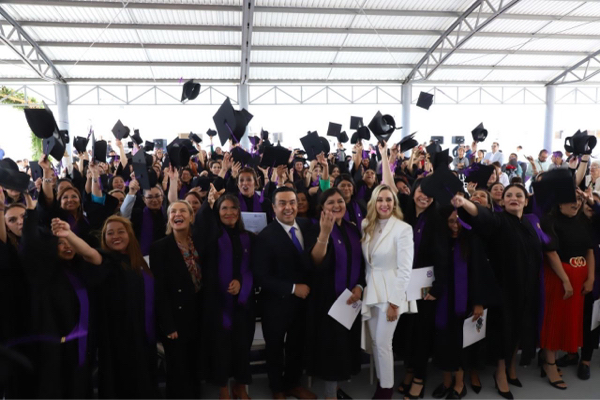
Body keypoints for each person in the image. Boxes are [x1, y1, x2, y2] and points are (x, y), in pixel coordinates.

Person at [51, 215, 158, 399]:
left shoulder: (140, 262)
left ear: (130, 234)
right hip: (116, 335)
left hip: (141, 333)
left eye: (120, 231)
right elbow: (88, 252)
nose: (115, 236)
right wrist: (68, 235)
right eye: (110, 233)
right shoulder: (107, 259)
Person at [452, 184, 543, 399]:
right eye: (508, 195)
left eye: (518, 195)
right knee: (504, 331)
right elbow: (482, 215)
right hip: (504, 288)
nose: (514, 198)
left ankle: (511, 368)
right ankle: (500, 373)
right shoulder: (499, 221)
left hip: (527, 286)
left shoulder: (530, 224)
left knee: (520, 327)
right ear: (501, 201)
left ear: (526, 201)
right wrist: (464, 202)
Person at [254, 187, 317, 399]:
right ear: (273, 207)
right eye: (282, 203)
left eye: (292, 202)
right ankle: (277, 388)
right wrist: (292, 288)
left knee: (297, 345)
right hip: (276, 303)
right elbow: (261, 276)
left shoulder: (308, 227)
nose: (288, 207)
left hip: (304, 302)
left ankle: (293, 383)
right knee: (275, 346)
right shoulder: (265, 236)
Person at [431, 209, 500, 399]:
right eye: (451, 222)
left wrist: (478, 302)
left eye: (459, 222)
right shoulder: (441, 240)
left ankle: (460, 384)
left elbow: (479, 273)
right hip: (443, 300)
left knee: (460, 344)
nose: (455, 226)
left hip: (465, 300)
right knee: (443, 341)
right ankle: (446, 382)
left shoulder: (473, 241)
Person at [196, 189, 256, 399]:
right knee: (220, 348)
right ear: (217, 211)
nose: (229, 212)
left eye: (233, 208)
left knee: (242, 345)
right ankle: (223, 389)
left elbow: (251, 268)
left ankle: (240, 386)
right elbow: (201, 227)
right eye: (224, 208)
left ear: (239, 212)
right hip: (217, 301)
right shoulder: (212, 236)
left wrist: (241, 282)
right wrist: (208, 203)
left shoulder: (248, 237)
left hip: (242, 301)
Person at [307, 188, 365, 400]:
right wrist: (324, 233)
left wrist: (360, 286)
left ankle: (337, 389)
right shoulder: (315, 227)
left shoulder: (352, 228)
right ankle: (330, 395)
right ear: (322, 207)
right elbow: (316, 262)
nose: (337, 205)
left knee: (343, 349)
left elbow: (362, 263)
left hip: (350, 300)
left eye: (340, 201)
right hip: (327, 301)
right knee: (331, 350)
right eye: (330, 202)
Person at [360, 184, 414, 399]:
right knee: (376, 342)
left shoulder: (403, 228)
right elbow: (367, 263)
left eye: (389, 200)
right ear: (374, 202)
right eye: (380, 199)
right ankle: (383, 383)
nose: (384, 204)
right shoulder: (366, 224)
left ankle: (386, 389)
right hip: (371, 290)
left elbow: (405, 269)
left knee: (383, 343)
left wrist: (395, 302)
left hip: (392, 291)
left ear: (394, 203)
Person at [539, 193, 595, 390]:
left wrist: (591, 277)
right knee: (553, 320)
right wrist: (565, 280)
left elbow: (590, 249)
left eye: (578, 200)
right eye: (571, 200)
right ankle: (550, 364)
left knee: (570, 320)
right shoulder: (549, 221)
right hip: (558, 277)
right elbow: (550, 252)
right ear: (559, 202)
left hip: (580, 277)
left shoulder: (583, 221)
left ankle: (554, 359)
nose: (576, 203)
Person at [150, 200, 203, 398]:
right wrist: (168, 324)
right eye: (173, 211)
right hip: (175, 316)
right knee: (177, 368)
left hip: (198, 311)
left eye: (183, 210)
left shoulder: (200, 241)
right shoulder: (159, 247)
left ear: (191, 216)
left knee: (194, 364)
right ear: (169, 218)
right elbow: (160, 289)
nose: (177, 214)